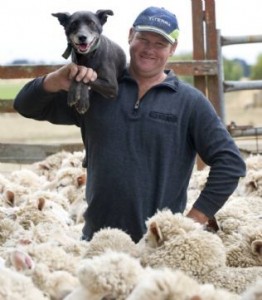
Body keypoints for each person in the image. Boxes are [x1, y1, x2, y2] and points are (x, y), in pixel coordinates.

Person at [14, 6, 246, 243]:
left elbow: (231, 163)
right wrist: (55, 80)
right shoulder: (93, 90)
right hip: (97, 242)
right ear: (130, 36)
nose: (149, 49)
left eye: (160, 43)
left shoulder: (190, 102)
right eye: (143, 39)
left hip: (159, 245)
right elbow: (26, 106)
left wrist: (191, 222)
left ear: (173, 49)